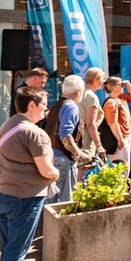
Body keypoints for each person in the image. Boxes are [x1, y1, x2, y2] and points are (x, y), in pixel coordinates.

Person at [0, 86, 58, 261]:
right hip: (23, 196)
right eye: (44, 105)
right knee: (17, 250)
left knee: (9, 247)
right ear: (32, 105)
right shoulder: (35, 133)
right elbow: (46, 169)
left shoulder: (8, 125)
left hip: (1, 192)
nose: (46, 109)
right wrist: (55, 172)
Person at [42, 75, 94, 205]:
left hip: (53, 156)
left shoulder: (57, 105)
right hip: (63, 159)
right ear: (79, 91)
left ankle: (49, 225)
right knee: (64, 202)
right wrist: (80, 154)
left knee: (52, 199)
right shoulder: (71, 107)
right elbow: (65, 135)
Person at [102, 77, 131, 167]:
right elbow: (112, 123)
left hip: (125, 136)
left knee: (125, 166)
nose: (122, 86)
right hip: (118, 140)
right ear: (113, 87)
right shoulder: (111, 102)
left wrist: (127, 84)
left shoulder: (121, 98)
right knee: (121, 168)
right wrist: (120, 140)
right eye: (120, 85)